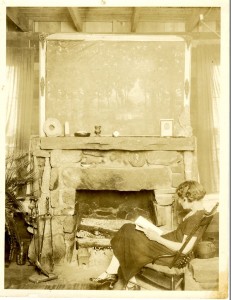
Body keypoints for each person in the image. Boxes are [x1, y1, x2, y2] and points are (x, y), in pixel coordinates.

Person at [90, 180, 207, 290]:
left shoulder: (195, 219)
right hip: (166, 245)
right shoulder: (198, 213)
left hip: (169, 254)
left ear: (188, 198)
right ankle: (115, 273)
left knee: (127, 231)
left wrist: (156, 238)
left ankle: (116, 274)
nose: (180, 202)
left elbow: (185, 249)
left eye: (181, 199)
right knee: (129, 228)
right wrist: (158, 232)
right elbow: (180, 236)